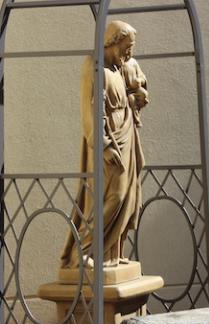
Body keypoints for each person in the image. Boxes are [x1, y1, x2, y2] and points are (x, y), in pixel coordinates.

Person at [61, 21, 148, 268]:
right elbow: (90, 108)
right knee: (114, 196)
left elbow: (125, 97)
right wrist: (104, 145)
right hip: (108, 142)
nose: (129, 53)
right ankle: (82, 251)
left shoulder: (118, 68)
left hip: (126, 135)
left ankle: (111, 253)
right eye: (126, 47)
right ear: (112, 41)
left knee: (129, 196)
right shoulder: (94, 65)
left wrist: (136, 98)